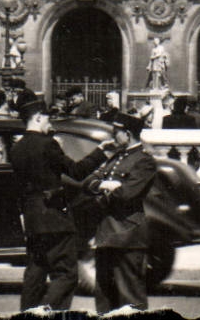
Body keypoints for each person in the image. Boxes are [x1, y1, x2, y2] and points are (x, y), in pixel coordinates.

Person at [9, 96, 112, 311]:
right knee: (66, 274)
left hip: (32, 219)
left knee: (35, 273)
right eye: (47, 118)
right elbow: (77, 171)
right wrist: (101, 151)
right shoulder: (49, 144)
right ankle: (46, 312)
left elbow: (20, 187)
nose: (50, 123)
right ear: (37, 118)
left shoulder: (17, 148)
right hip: (55, 218)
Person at [80, 112, 159, 314]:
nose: (113, 136)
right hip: (107, 232)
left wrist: (104, 189)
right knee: (104, 294)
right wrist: (107, 184)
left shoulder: (144, 161)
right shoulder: (116, 157)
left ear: (128, 133)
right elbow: (88, 182)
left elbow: (126, 194)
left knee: (130, 294)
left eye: (116, 132)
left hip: (127, 234)